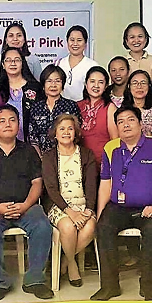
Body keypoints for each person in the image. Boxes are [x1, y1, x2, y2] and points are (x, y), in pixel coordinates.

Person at [90, 106, 152, 301]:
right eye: (120, 122)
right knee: (103, 228)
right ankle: (109, 286)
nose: (126, 125)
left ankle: (148, 286)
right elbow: (105, 183)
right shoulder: (111, 148)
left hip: (151, 207)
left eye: (130, 120)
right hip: (118, 207)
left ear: (140, 123)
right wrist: (100, 212)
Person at [0, 105, 54, 301]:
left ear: (18, 124)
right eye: (2, 121)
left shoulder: (28, 151)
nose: (7, 124)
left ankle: (35, 280)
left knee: (42, 226)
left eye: (12, 120)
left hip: (26, 207)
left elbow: (37, 182)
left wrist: (25, 205)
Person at [41, 114, 98, 287]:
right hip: (59, 206)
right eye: (62, 129)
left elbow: (92, 185)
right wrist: (70, 211)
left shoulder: (86, 154)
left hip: (83, 205)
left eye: (70, 128)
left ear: (76, 133)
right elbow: (51, 188)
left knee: (89, 227)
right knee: (67, 227)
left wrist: (88, 209)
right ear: (55, 133)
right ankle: (73, 265)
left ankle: (64, 261)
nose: (66, 132)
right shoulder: (49, 157)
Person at [28, 65, 82, 154]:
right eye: (49, 81)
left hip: (67, 155)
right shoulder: (36, 108)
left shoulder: (71, 106)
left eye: (57, 81)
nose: (53, 85)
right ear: (43, 85)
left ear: (63, 85)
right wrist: (40, 158)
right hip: (42, 157)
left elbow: (77, 133)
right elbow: (33, 138)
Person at [0, 47, 43, 142]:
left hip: (33, 143)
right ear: (3, 65)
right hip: (5, 143)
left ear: (22, 63)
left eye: (17, 60)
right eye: (8, 60)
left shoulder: (36, 88)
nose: (13, 63)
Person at [77, 66, 118, 162]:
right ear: (86, 84)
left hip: (103, 161)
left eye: (101, 82)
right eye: (92, 81)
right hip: (79, 162)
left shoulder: (110, 107)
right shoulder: (77, 106)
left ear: (106, 86)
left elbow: (115, 140)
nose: (96, 85)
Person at [57, 25, 99, 101]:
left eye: (79, 40)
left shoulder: (92, 66)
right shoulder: (59, 63)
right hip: (62, 106)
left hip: (83, 106)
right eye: (72, 40)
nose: (75, 44)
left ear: (85, 43)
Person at [122, 70, 152, 140]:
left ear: (149, 86)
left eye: (143, 83)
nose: (139, 86)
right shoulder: (123, 108)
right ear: (129, 86)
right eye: (135, 83)